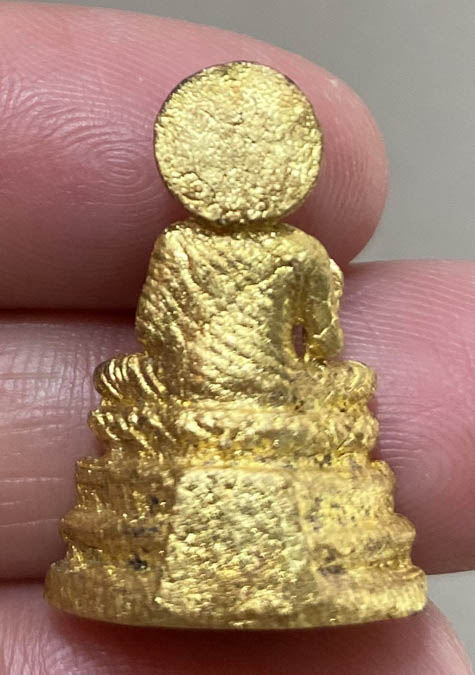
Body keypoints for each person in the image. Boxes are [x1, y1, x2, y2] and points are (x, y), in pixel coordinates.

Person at [0, 3, 473, 673]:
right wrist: (308, 370)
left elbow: (157, 330)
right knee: (340, 388)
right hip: (275, 397)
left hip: (187, 399)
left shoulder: (181, 248)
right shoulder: (298, 252)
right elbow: (322, 336)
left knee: (127, 383)